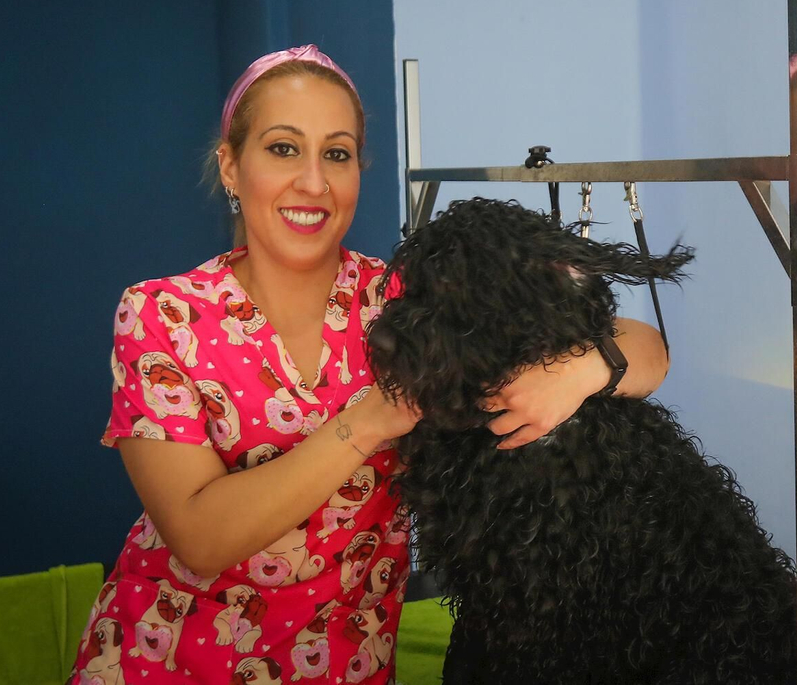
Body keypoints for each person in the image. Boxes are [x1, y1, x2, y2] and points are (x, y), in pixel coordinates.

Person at [68, 46, 670, 684]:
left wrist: (572, 373)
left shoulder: (404, 300)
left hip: (345, 664)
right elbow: (199, 537)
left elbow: (647, 349)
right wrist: (370, 421)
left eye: (337, 153)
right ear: (229, 166)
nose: (313, 182)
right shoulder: (162, 315)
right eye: (282, 148)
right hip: (170, 660)